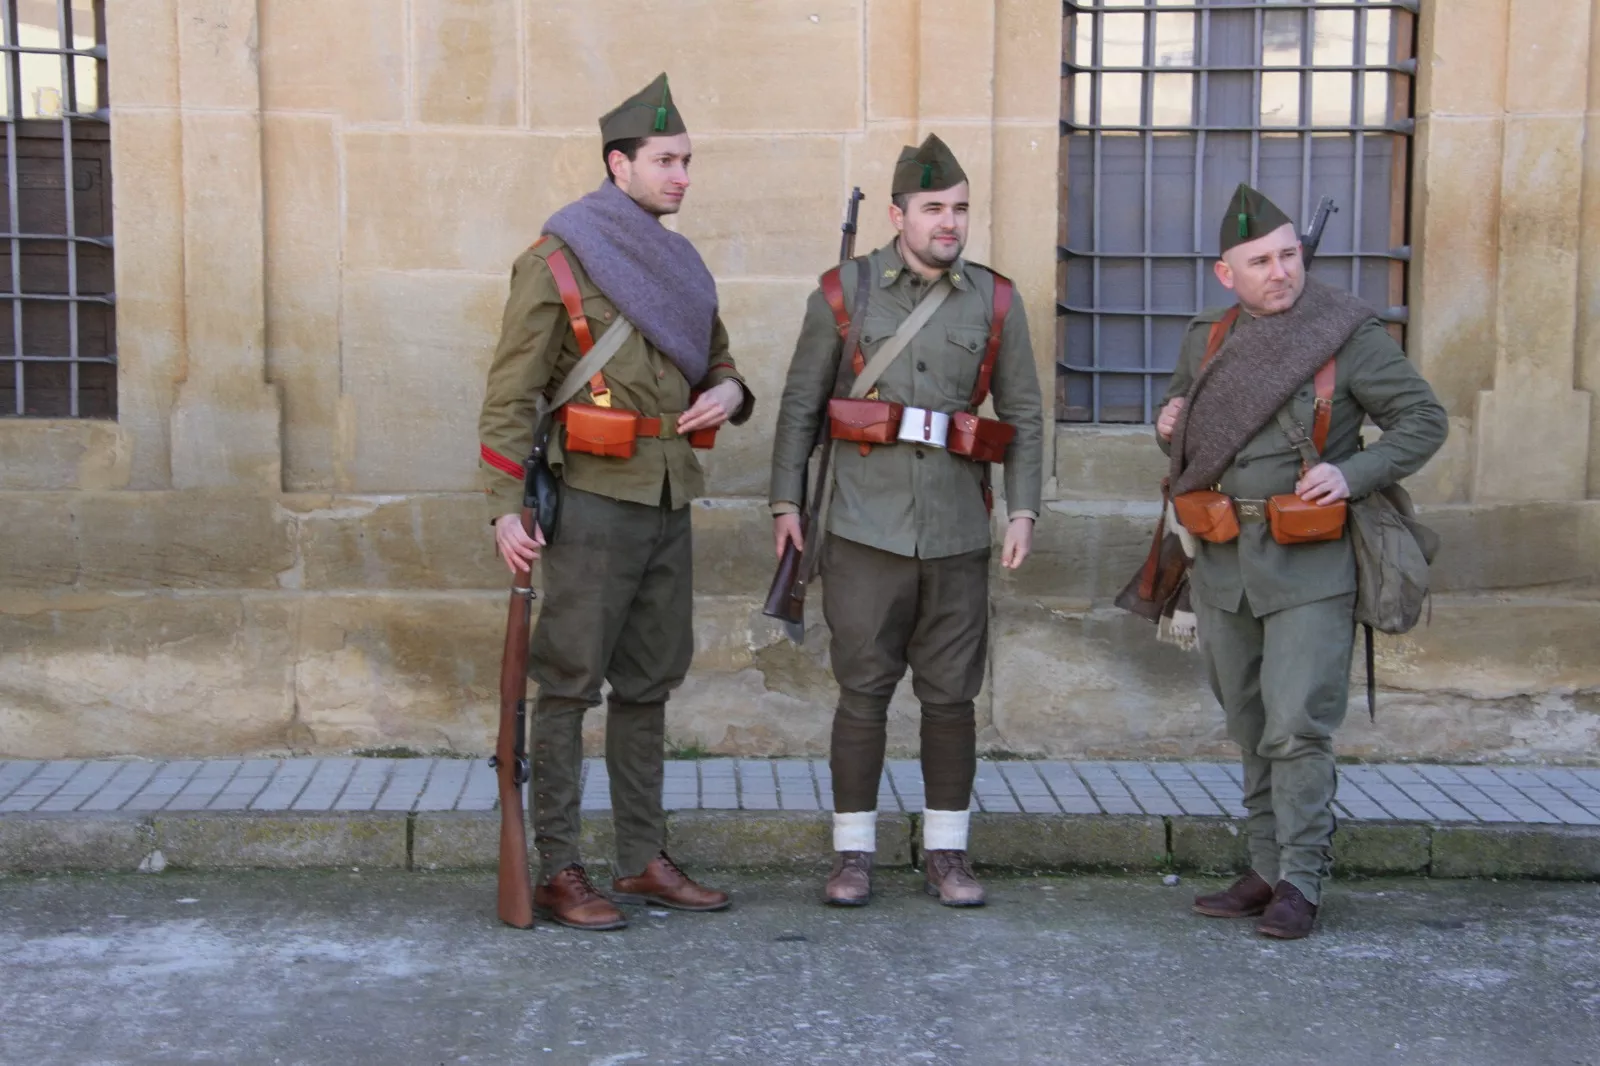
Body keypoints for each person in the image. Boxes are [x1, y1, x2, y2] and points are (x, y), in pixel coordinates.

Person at [477, 73, 754, 931]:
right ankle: (559, 866)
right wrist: (503, 506)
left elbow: (719, 358)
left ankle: (640, 859)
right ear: (618, 164)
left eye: (687, 161)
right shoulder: (557, 258)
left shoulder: (680, 262)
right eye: (665, 160)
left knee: (649, 685)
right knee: (565, 687)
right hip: (593, 502)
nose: (681, 176)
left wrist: (733, 394)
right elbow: (510, 395)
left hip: (671, 496)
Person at [1157, 183, 1447, 938]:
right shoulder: (1208, 336)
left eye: (1289, 256)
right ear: (1229, 273)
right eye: (1261, 261)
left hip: (1310, 561)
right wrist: (1168, 423)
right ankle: (1263, 866)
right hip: (1222, 558)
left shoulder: (1345, 334)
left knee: (1298, 724)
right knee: (1249, 723)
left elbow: (1424, 418)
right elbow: (1194, 432)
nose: (1280, 273)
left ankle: (1302, 879)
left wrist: (1354, 475)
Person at [768, 134, 1045, 908]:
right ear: (898, 215)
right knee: (863, 693)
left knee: (952, 698)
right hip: (863, 527)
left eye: (959, 209)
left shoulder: (995, 301)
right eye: (933, 209)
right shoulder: (844, 293)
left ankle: (947, 855)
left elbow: (1023, 411)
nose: (949, 223)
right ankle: (853, 855)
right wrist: (787, 505)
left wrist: (1022, 508)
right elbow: (799, 405)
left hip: (958, 528)